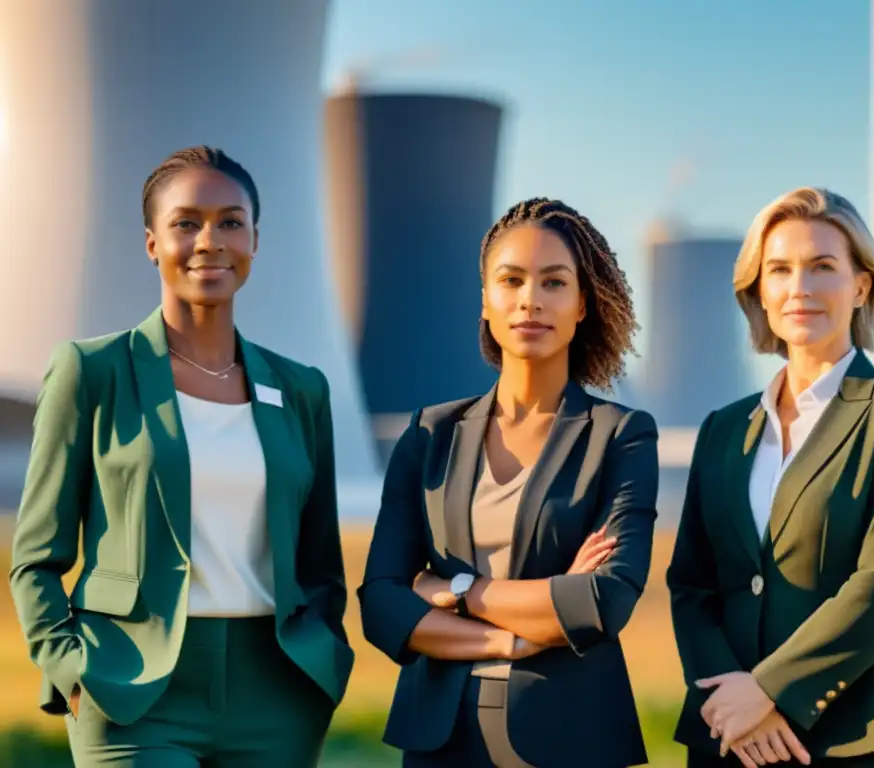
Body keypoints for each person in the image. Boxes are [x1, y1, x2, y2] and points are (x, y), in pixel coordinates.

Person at [8, 146, 353, 767]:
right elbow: (35, 557)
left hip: (276, 688)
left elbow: (320, 563)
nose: (209, 240)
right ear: (151, 242)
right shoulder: (92, 372)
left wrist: (323, 660)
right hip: (131, 685)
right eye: (186, 222)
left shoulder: (301, 389)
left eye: (230, 221)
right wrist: (70, 666)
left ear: (254, 239)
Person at [358, 198, 659, 768]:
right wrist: (511, 639)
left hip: (570, 736)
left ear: (581, 306)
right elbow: (381, 603)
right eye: (512, 280)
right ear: (486, 303)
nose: (531, 300)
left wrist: (458, 590)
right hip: (439, 741)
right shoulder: (428, 434)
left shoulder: (620, 437)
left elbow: (603, 599)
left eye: (554, 282)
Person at [666, 187, 874, 767]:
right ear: (759, 291)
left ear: (861, 285)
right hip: (731, 739)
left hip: (860, 735)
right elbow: (692, 586)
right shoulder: (723, 430)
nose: (799, 288)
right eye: (780, 270)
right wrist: (730, 699)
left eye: (823, 266)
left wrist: (770, 690)